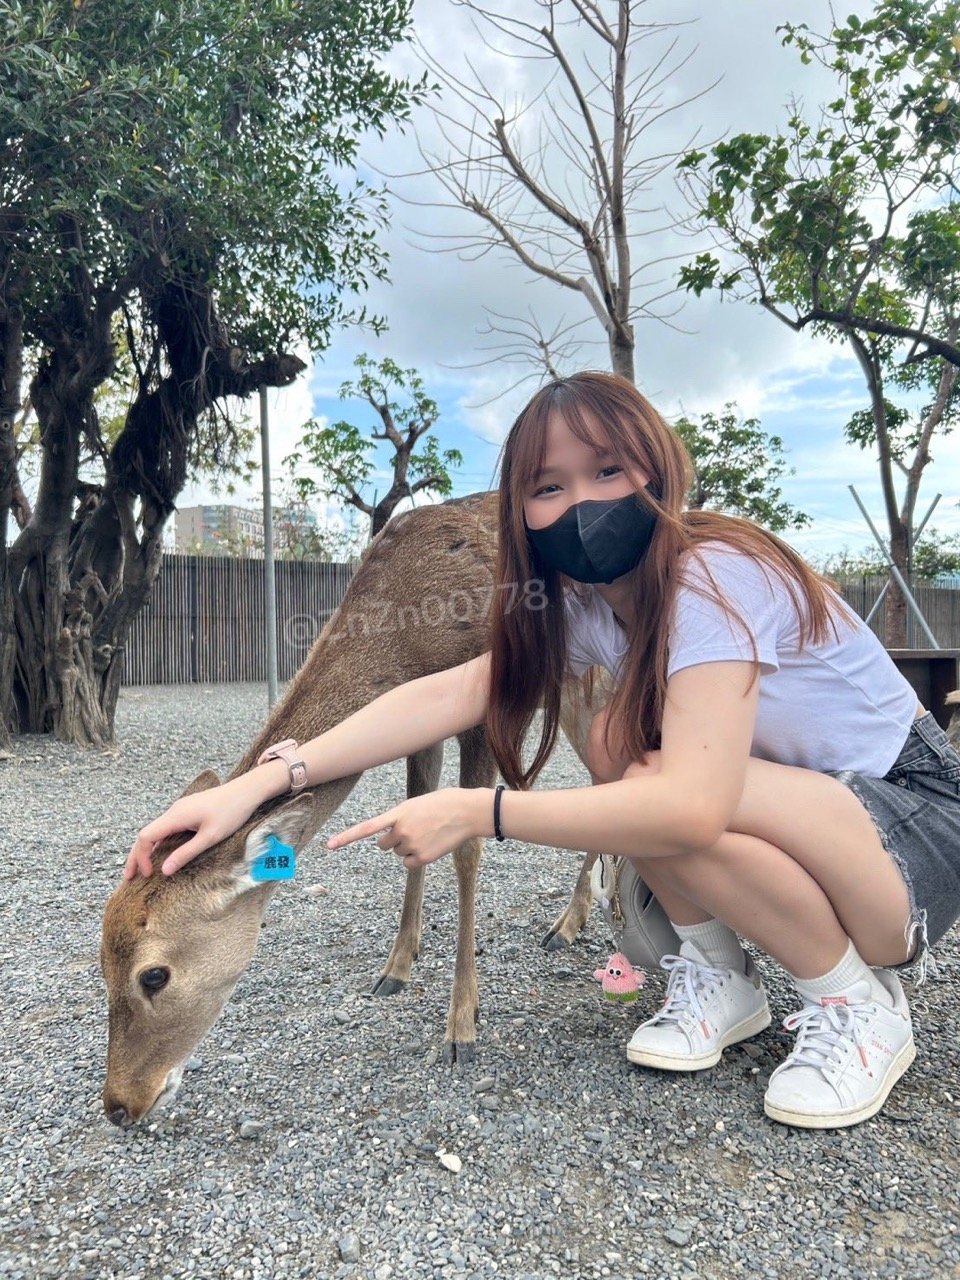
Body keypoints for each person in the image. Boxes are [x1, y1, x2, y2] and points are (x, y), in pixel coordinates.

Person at [124, 371, 960, 1130]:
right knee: (611, 737)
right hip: (817, 825)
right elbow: (452, 692)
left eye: (607, 473)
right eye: (547, 487)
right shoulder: (592, 607)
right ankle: (718, 975)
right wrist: (263, 782)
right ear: (517, 510)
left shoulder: (713, 576)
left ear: (659, 470)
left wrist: (479, 809)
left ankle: (858, 1006)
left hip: (909, 834)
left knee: (666, 784)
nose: (581, 506)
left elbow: (697, 806)